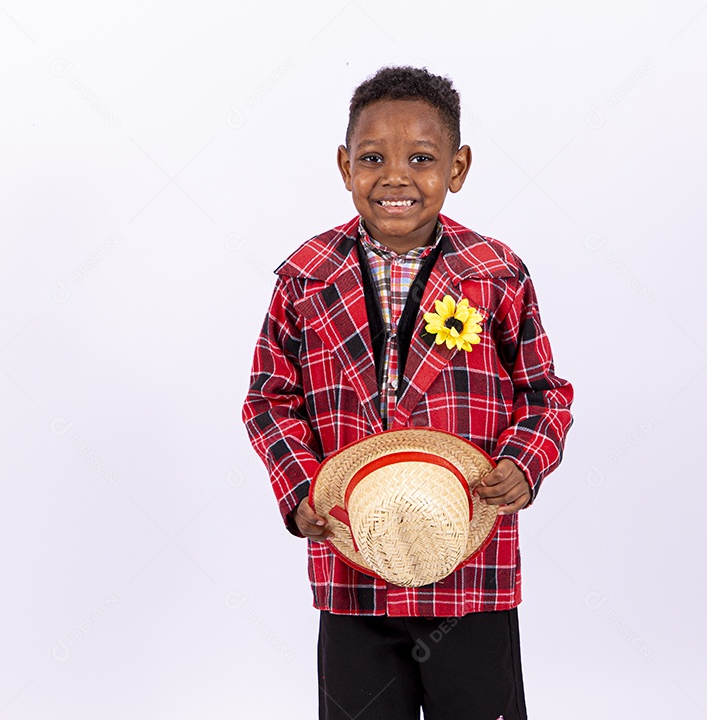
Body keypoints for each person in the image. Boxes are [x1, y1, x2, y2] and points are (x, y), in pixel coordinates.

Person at [242, 65, 574, 720]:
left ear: (458, 167)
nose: (395, 177)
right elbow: (269, 397)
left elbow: (543, 391)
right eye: (373, 158)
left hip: (470, 573)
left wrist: (523, 463)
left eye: (421, 158)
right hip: (353, 566)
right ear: (344, 166)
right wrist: (303, 488)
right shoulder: (306, 276)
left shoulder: (495, 274)